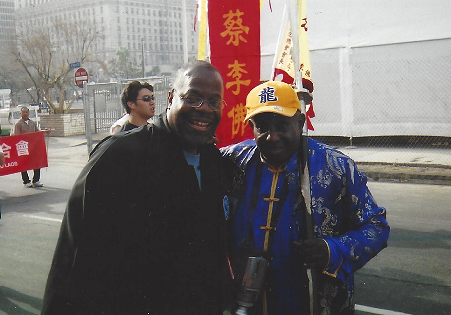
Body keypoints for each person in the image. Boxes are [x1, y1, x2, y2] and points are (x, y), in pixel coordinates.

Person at [41, 61, 234, 315]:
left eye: (214, 102)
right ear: (170, 98)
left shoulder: (215, 163)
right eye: (193, 98)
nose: (204, 109)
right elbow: (74, 260)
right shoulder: (119, 155)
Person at [221, 81, 390, 315]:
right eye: (262, 127)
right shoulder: (231, 161)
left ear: (300, 122)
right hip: (247, 302)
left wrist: (332, 250)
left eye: (282, 126)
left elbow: (376, 226)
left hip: (311, 302)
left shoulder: (336, 168)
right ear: (251, 126)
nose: (272, 137)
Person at [14, 106, 42, 187]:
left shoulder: (32, 123)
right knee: (23, 164)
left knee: (37, 163)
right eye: (23, 112)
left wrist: (45, 132)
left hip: (33, 147)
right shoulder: (18, 124)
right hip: (23, 148)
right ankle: (26, 181)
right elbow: (16, 137)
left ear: (28, 113)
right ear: (20, 113)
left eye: (26, 112)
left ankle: (36, 180)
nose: (25, 113)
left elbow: (38, 133)